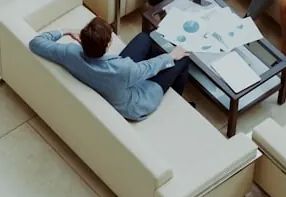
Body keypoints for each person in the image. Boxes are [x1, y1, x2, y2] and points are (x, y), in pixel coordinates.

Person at [29, 17, 190, 121]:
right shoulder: (123, 68)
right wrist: (171, 56)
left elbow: (36, 43)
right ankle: (176, 97)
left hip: (112, 82)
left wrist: (65, 30)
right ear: (108, 45)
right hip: (133, 102)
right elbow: (147, 68)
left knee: (144, 38)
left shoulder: (69, 53)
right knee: (182, 60)